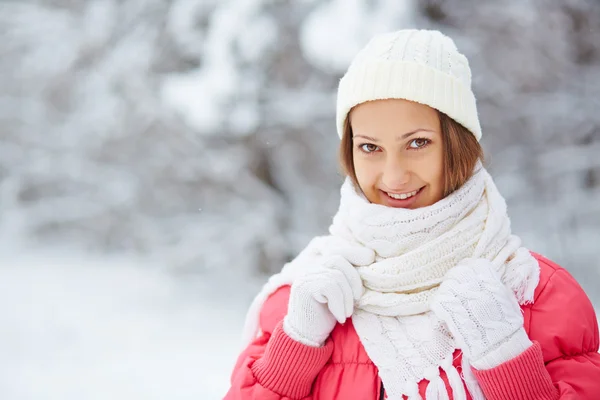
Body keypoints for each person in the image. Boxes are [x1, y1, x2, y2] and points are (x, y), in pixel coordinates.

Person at [224, 29, 600, 400]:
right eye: (370, 147)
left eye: (417, 143)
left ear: (458, 144)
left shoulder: (537, 294)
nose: (393, 176)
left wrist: (508, 361)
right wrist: (296, 349)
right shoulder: (307, 294)